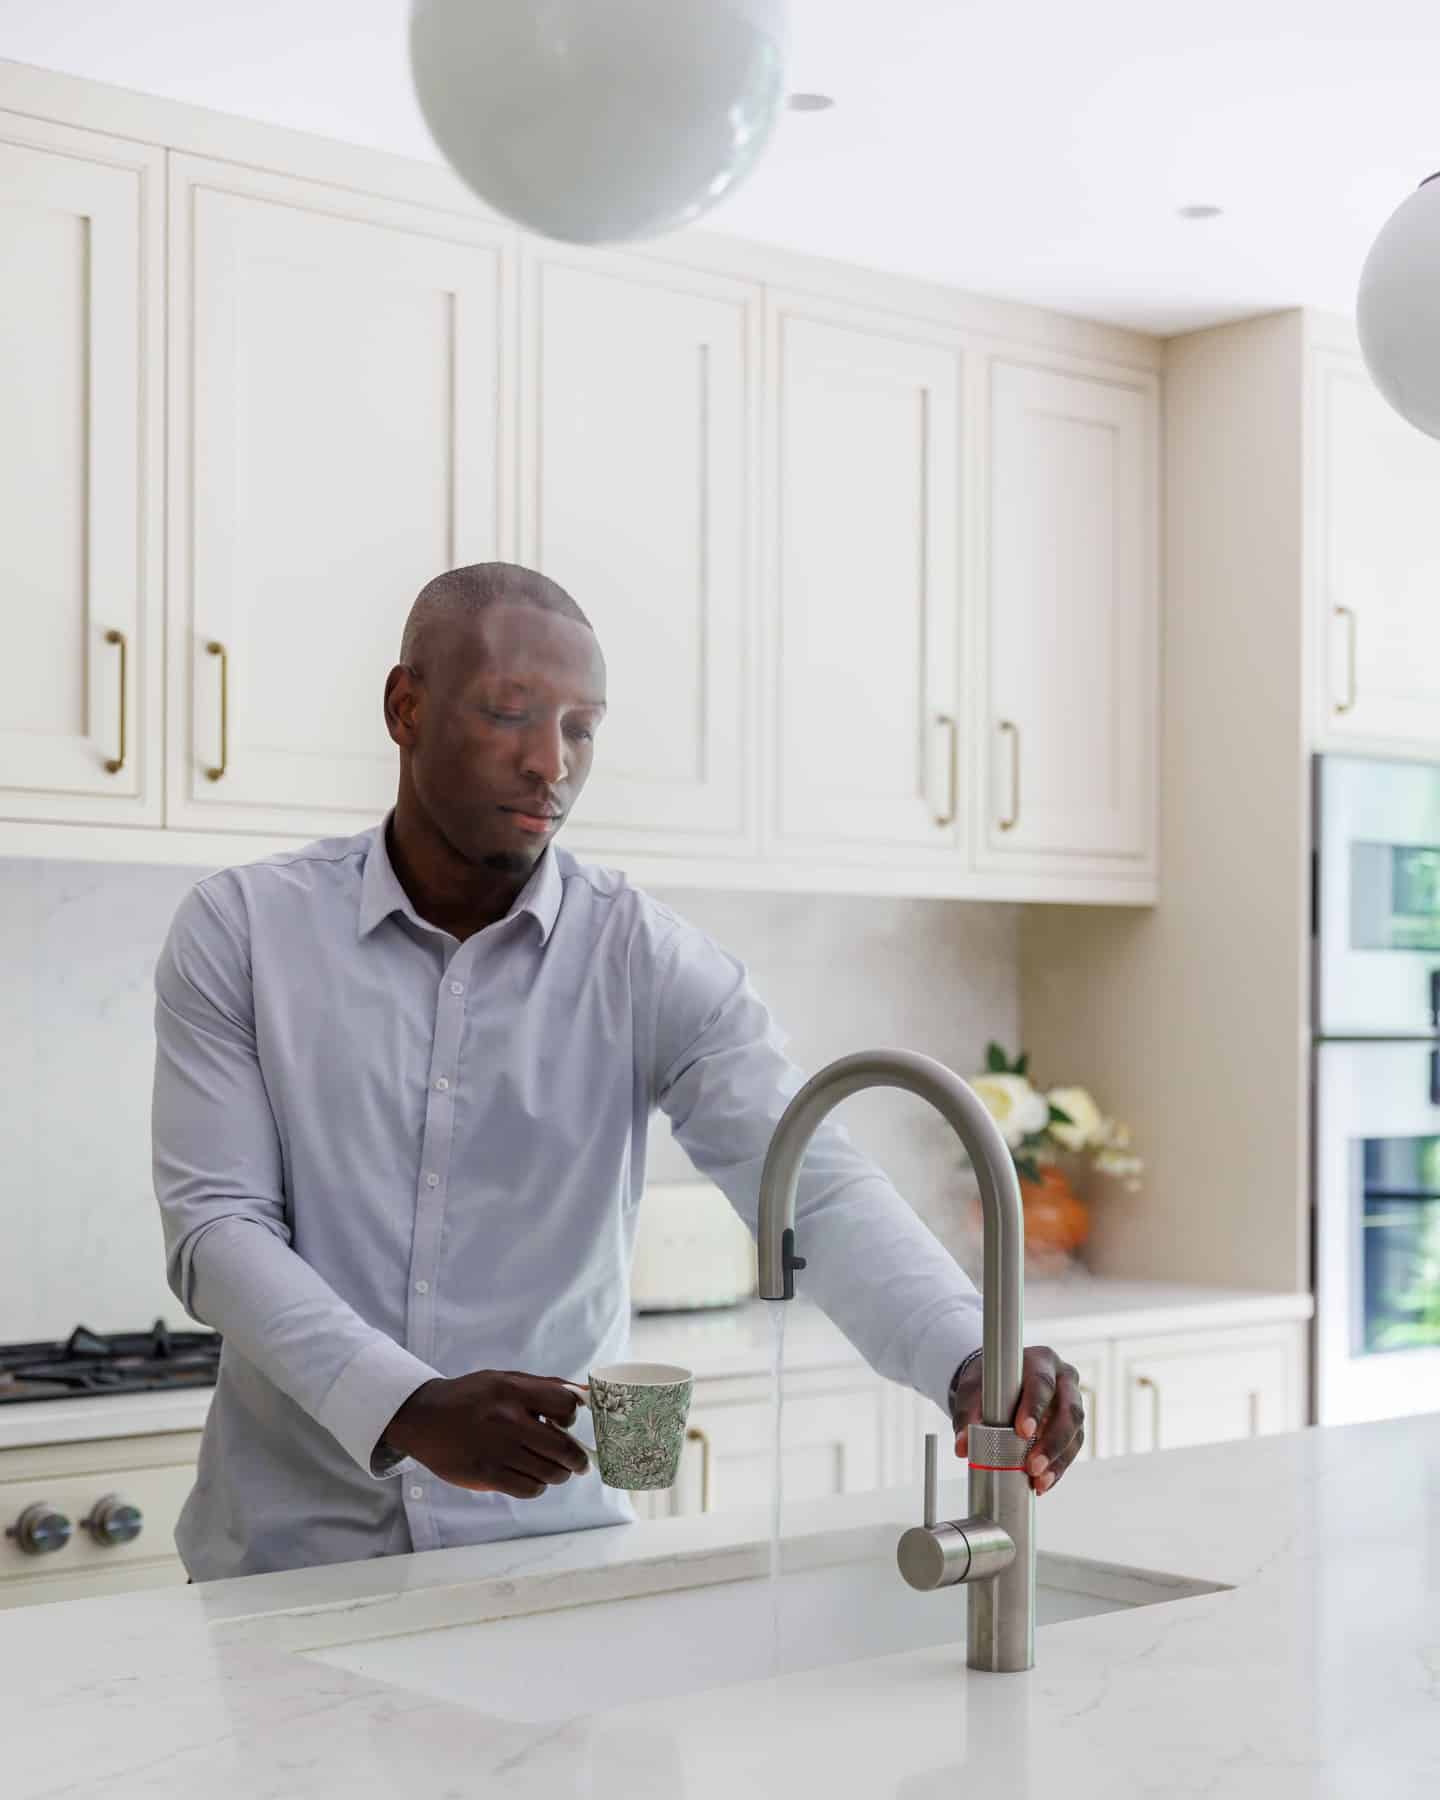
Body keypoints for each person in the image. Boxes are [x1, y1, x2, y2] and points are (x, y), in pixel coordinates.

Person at [153, 563, 1085, 1581]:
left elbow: (811, 1188)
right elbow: (217, 1231)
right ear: (405, 707)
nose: (549, 763)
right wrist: (404, 1405)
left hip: (547, 1564)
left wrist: (967, 1354)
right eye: (509, 713)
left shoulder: (648, 960)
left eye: (582, 729)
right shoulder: (245, 931)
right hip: (283, 1567)